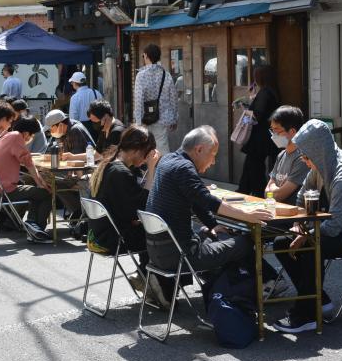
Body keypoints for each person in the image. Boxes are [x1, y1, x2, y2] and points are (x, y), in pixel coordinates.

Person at [272, 119, 342, 333]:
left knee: (310, 247)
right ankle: (319, 300)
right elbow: (300, 198)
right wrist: (298, 225)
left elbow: (334, 225)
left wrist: (306, 235)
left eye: (306, 156)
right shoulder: (321, 164)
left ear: (318, 151)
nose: (304, 161)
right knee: (281, 243)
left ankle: (306, 315)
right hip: (339, 227)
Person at [145, 126, 273, 302]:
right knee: (244, 241)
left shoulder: (167, 161)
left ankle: (236, 285)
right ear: (199, 150)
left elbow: (196, 201)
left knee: (220, 234)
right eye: (213, 154)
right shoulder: (184, 168)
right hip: (182, 255)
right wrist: (247, 215)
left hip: (157, 252)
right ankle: (260, 286)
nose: (213, 162)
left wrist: (213, 224)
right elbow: (207, 201)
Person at [88, 126, 160, 293]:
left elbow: (126, 207)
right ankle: (150, 279)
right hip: (114, 239)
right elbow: (143, 206)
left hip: (100, 234)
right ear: (136, 150)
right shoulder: (120, 173)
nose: (146, 159)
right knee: (163, 235)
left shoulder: (108, 165)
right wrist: (152, 169)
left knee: (148, 229)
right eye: (146, 154)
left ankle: (145, 275)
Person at [0, 116, 52, 241]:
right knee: (45, 193)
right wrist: (40, 182)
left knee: (34, 191)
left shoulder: (7, 136)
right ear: (26, 133)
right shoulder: (16, 137)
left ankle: (32, 224)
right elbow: (28, 163)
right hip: (6, 190)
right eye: (32, 136)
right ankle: (37, 230)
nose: (31, 139)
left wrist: (38, 182)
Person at [237, 65, 280, 197]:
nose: (254, 79)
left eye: (256, 76)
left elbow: (258, 114)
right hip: (266, 135)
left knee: (254, 164)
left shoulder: (265, 93)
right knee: (252, 164)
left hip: (260, 136)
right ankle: (244, 189)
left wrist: (246, 111)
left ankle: (255, 191)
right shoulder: (271, 91)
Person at [133, 44, 178, 156]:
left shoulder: (141, 75)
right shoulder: (165, 75)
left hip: (145, 120)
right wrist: (174, 118)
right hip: (162, 118)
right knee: (162, 150)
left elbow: (138, 100)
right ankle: (165, 171)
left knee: (146, 153)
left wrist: (138, 123)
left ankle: (151, 172)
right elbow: (173, 97)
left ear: (146, 56)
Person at [264, 106, 310, 204]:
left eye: (277, 130)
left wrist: (273, 190)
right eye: (272, 130)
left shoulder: (303, 158)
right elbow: (266, 191)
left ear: (292, 131)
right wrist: (273, 191)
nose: (273, 135)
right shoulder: (281, 155)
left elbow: (279, 195)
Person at [68, 71, 102, 136]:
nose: (72, 84)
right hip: (98, 129)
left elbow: (73, 119)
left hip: (82, 131)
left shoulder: (75, 98)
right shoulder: (96, 93)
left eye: (72, 82)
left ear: (75, 83)